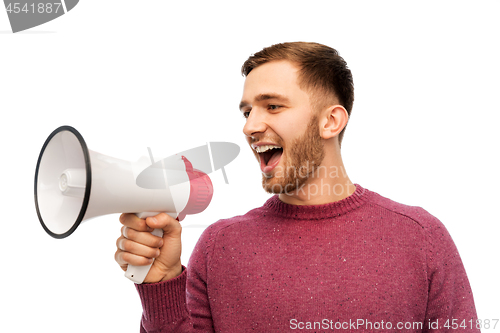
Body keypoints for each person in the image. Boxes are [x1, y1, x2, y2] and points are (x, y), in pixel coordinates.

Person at [115, 42, 479, 332]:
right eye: (246, 112)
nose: (250, 127)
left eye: (272, 106)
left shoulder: (420, 237)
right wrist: (162, 285)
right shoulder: (219, 246)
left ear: (331, 121)